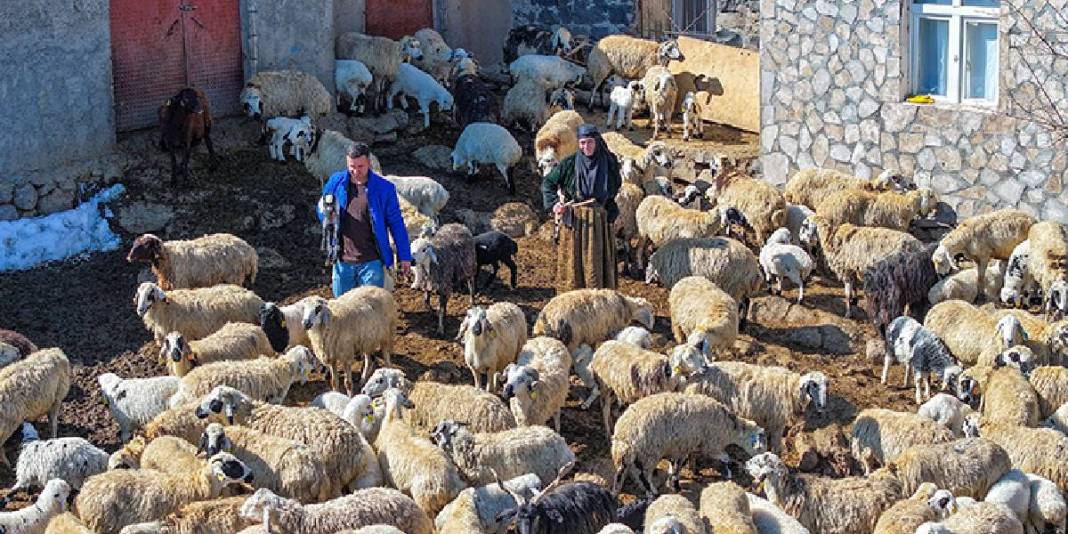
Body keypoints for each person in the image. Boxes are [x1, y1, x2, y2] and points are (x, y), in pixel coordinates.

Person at [316, 142, 411, 297]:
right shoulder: (336, 182)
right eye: (351, 166)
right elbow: (321, 206)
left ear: (369, 163)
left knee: (371, 310)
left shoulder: (384, 189)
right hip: (342, 259)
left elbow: (396, 223)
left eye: (360, 166)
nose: (355, 171)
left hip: (372, 261)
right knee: (342, 311)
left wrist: (404, 256)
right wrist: (327, 216)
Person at [540, 123, 622, 290]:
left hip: (600, 220)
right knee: (574, 259)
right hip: (576, 220)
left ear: (597, 141)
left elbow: (616, 185)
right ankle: (573, 295)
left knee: (597, 259)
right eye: (582, 143)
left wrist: (606, 204)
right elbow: (548, 183)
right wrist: (555, 204)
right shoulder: (570, 164)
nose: (586, 147)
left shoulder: (608, 162)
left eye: (590, 142)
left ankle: (599, 294)